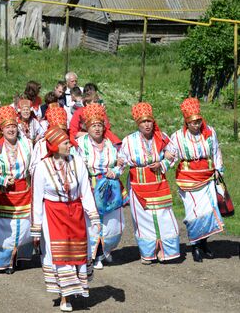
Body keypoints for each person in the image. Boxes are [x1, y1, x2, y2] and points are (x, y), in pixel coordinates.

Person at [31, 126, 101, 312]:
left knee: (76, 253)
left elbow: (85, 191)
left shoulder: (77, 162)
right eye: (65, 143)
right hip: (53, 214)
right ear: (54, 146)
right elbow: (37, 199)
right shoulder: (42, 167)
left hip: (76, 213)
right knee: (61, 255)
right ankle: (64, 297)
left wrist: (93, 216)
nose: (69, 145)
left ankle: (73, 289)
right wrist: (36, 229)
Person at [118, 102, 180, 264]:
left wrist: (162, 164)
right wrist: (114, 172)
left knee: (164, 216)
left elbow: (173, 153)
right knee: (143, 218)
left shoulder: (161, 137)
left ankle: (166, 250)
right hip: (138, 184)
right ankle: (149, 252)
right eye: (143, 122)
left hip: (158, 181)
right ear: (137, 123)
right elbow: (122, 161)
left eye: (149, 121)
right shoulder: (129, 141)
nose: (147, 125)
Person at [169, 98, 225, 262]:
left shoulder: (210, 132)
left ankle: (204, 244)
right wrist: (164, 161)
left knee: (208, 212)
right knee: (194, 214)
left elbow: (216, 151)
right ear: (187, 121)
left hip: (207, 176)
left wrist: (218, 170)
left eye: (198, 121)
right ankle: (195, 246)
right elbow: (171, 156)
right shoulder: (178, 136)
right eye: (193, 122)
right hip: (188, 180)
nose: (197, 125)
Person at [0, 106, 33, 274]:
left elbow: (32, 165)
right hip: (2, 195)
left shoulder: (26, 143)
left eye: (13, 126)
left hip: (24, 192)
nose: (11, 129)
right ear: (1, 129)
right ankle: (5, 262)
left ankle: (18, 256)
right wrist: (2, 179)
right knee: (5, 230)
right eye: (7, 127)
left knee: (24, 227)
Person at [75, 103, 125, 270]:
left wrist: (116, 171)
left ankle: (105, 251)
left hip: (111, 188)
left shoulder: (111, 143)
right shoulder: (80, 144)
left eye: (99, 125)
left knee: (111, 222)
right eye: (93, 126)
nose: (97, 129)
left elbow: (122, 162)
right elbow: (76, 166)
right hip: (91, 187)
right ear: (87, 127)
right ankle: (94, 255)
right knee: (93, 222)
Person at [30, 104, 68, 173]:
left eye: (63, 131)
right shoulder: (41, 144)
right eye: (57, 132)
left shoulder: (70, 143)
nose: (60, 135)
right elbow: (33, 168)